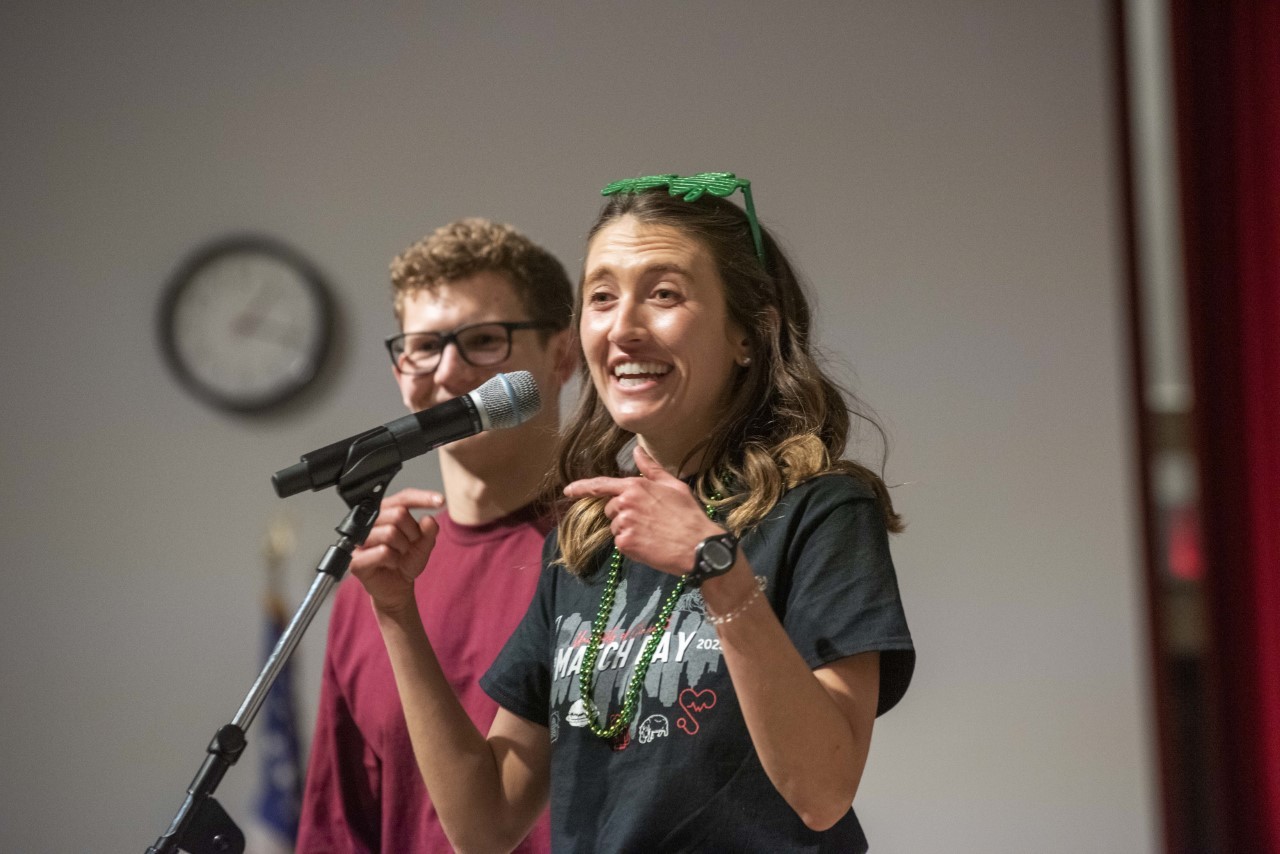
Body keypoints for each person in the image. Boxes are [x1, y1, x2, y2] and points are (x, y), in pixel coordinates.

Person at [351, 173, 915, 852]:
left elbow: (822, 794)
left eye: (664, 294)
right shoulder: (584, 538)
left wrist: (718, 569)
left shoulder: (820, 511)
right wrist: (396, 611)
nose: (623, 327)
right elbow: (485, 823)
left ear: (747, 334)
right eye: (601, 298)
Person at [297, 218, 577, 853]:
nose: (449, 373)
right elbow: (340, 828)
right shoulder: (375, 578)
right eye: (423, 347)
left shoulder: (616, 548)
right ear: (401, 369)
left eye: (483, 340)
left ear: (563, 354)